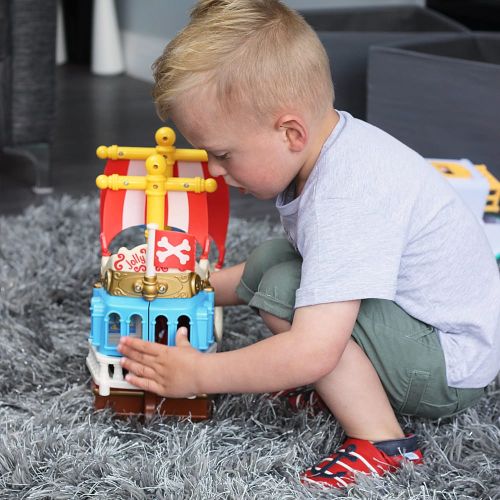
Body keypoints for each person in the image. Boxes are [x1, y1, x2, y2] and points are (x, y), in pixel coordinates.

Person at [117, 0, 500, 489]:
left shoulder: (346, 194)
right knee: (276, 261)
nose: (214, 170)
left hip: (448, 368)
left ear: (290, 132)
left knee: (285, 286)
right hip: (425, 332)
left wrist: (198, 375)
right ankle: (355, 389)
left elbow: (314, 350)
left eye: (223, 154)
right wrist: (188, 286)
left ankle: (383, 441)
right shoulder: (327, 149)